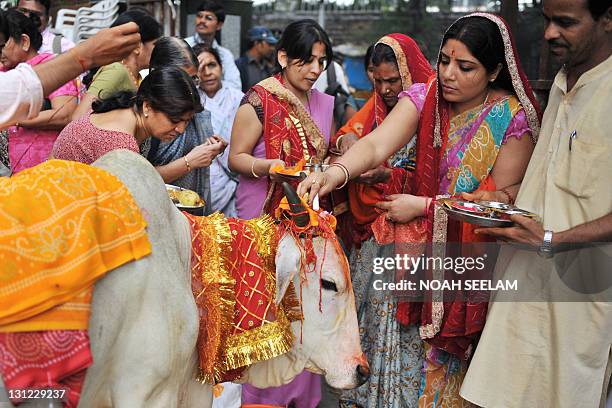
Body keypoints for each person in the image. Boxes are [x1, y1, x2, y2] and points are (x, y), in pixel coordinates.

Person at [298, 13, 541, 407]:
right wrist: (335, 173)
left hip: (462, 269)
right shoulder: (426, 97)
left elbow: (500, 201)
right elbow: (376, 145)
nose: (448, 74)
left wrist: (425, 207)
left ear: (495, 70)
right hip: (407, 261)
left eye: (465, 67)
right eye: (444, 60)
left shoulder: (510, 120)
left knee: (439, 377)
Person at [459, 2, 612, 407]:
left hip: (581, 303)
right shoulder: (561, 83)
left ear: (608, 19)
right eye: (546, 20)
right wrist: (500, 201)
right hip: (520, 284)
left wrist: (552, 238)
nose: (548, 34)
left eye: (566, 22)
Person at [229, 19, 334, 408]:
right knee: (264, 307)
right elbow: (235, 157)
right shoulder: (259, 99)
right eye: (306, 61)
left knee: (302, 308)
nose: (314, 70)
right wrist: (271, 166)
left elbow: (321, 158)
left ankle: (302, 396)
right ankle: (261, 397)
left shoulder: (323, 103)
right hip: (262, 215)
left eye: (321, 62)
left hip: (305, 217)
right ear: (283, 57)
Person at [334, 33, 433, 408]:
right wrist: (348, 149)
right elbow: (353, 138)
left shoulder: (425, 106)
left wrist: (388, 176)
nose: (386, 89)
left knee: (398, 321)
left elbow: (435, 177)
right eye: (377, 81)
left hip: (410, 236)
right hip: (371, 234)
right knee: (364, 318)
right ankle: (361, 395)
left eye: (393, 80)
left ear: (408, 72)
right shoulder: (376, 106)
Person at [0, 21, 141, 129]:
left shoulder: (44, 63)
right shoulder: (116, 69)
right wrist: (86, 55)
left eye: (2, 47)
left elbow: (65, 114)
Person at [52, 66, 202, 166]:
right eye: (175, 120)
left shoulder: (129, 112)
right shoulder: (120, 143)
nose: (181, 129)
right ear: (147, 106)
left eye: (187, 121)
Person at [146, 37, 225, 216]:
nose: (190, 89)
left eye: (194, 79)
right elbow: (140, 178)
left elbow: (194, 148)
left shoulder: (193, 107)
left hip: (189, 213)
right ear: (159, 73)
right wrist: (189, 162)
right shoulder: (149, 113)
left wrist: (210, 148)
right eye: (183, 79)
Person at [0, 9, 77, 173]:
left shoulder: (50, 67)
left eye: (3, 44)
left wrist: (13, 117)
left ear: (24, 41)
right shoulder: (3, 72)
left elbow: (65, 114)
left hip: (44, 169)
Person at [72, 9, 162, 120]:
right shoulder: (116, 71)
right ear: (138, 46)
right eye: (155, 45)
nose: (159, 50)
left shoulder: (135, 76)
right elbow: (78, 118)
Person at [194, 43, 243, 216]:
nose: (207, 73)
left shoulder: (239, 99)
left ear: (221, 67)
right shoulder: (192, 102)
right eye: (200, 67)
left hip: (234, 182)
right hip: (201, 180)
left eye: (212, 65)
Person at [185, 0, 241, 90]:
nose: (202, 21)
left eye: (208, 18)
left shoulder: (225, 55)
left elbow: (235, 86)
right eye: (199, 16)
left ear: (219, 25)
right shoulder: (183, 47)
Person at [235, 25, 277, 92]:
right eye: (269, 44)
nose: (272, 48)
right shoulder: (239, 65)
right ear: (257, 43)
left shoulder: (267, 66)